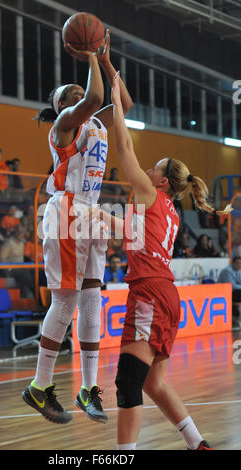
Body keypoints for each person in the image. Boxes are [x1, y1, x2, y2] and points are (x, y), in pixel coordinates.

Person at [92, 72, 231, 450]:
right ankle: (197, 443)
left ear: (163, 182)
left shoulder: (148, 192)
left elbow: (123, 147)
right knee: (153, 383)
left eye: (155, 167)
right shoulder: (165, 209)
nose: (148, 169)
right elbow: (130, 231)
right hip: (167, 295)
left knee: (128, 382)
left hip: (150, 294)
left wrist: (118, 103)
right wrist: (95, 213)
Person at [22, 30, 133, 425]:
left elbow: (123, 102)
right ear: (61, 105)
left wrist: (105, 60)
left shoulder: (96, 122)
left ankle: (88, 389)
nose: (78, 92)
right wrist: (89, 55)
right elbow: (98, 98)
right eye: (70, 92)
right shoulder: (66, 125)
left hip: (89, 213)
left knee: (90, 301)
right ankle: (39, 386)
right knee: (66, 302)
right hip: (66, 211)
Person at [218, 257, 241, 330]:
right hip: (224, 293)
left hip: (234, 292)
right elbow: (232, 286)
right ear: (233, 263)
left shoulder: (239, 271)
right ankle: (235, 317)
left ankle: (236, 316)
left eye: (240, 263)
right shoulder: (227, 271)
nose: (239, 265)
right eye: (238, 263)